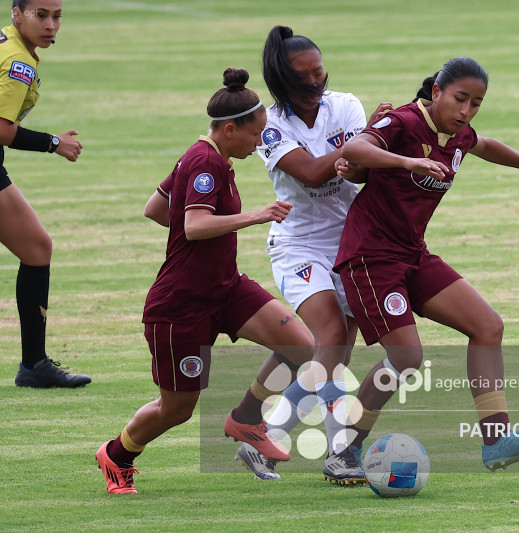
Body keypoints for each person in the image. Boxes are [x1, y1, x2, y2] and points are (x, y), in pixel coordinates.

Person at [333, 57, 519, 472]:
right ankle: (344, 450)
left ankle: (497, 441)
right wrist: (408, 162)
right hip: (369, 257)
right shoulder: (402, 122)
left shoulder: (460, 135)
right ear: (436, 92)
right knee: (406, 359)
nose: (466, 111)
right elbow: (354, 150)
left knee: (488, 326)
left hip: (412, 254)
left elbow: (483, 145)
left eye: (476, 103)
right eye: (459, 99)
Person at [96, 68, 315, 494]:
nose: (259, 143)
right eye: (255, 135)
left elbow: (157, 209)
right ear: (230, 129)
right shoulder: (204, 162)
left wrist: (191, 231)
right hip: (182, 304)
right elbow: (194, 226)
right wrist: (256, 215)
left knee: (301, 345)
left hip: (226, 287)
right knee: (176, 410)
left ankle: (246, 419)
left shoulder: (207, 157)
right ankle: (116, 455)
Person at [230, 25, 392, 484]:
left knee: (335, 356)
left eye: (321, 70)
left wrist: (362, 152)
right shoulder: (270, 126)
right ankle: (280, 440)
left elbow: (359, 171)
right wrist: (356, 146)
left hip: (351, 241)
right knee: (331, 336)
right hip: (298, 244)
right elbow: (312, 175)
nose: (318, 81)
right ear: (286, 82)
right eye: (307, 76)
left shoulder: (346, 104)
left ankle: (321, 450)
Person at [0, 0, 90, 388]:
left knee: (37, 249)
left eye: (56, 17)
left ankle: (34, 366)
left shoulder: (8, 44)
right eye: (41, 15)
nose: (51, 25)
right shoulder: (18, 63)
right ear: (16, 13)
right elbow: (2, 128)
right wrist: (54, 143)